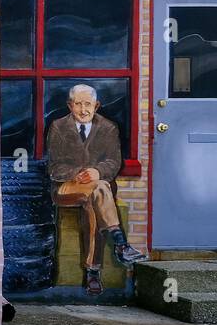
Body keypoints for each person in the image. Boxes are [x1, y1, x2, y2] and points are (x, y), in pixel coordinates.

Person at [46, 83, 145, 297]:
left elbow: (113, 162)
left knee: (95, 198)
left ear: (97, 105)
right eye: (78, 104)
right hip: (66, 188)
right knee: (99, 189)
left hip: (98, 190)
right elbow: (53, 167)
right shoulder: (58, 127)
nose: (83, 110)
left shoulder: (109, 128)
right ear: (70, 106)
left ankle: (92, 272)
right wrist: (79, 173)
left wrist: (97, 172)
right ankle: (120, 243)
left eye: (88, 104)